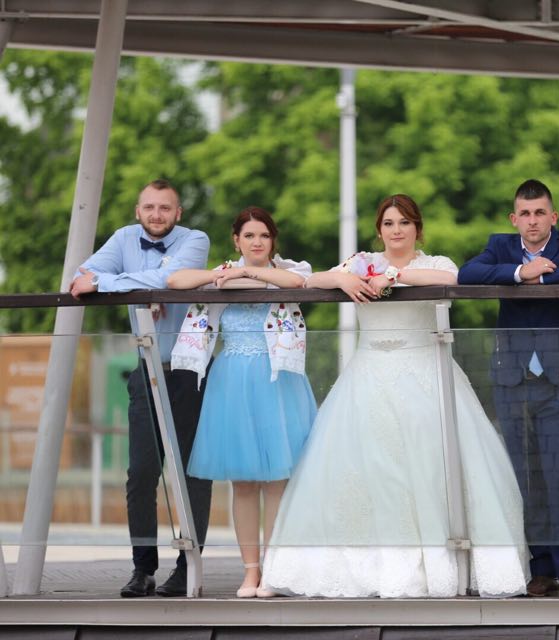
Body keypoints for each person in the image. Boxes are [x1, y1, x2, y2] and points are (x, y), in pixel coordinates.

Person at [261, 194, 528, 598]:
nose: (396, 230)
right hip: (368, 375)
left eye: (404, 222)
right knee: (368, 470)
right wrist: (343, 279)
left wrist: (395, 276)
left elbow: (453, 278)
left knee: (432, 466)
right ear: (379, 230)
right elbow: (310, 281)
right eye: (388, 223)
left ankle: (442, 564)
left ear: (417, 228)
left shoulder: (433, 264)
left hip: (427, 374)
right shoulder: (361, 262)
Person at [457, 179, 559, 599]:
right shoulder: (500, 248)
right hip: (512, 377)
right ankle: (540, 569)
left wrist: (543, 278)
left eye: (540, 212)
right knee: (525, 477)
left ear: (553, 217)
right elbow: (468, 274)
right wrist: (518, 273)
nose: (532, 220)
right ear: (514, 219)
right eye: (524, 214)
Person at [69, 179, 212, 598]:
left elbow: (171, 278)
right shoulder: (123, 238)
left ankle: (188, 568)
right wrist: (147, 286)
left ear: (178, 213)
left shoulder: (196, 240)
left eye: (165, 208)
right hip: (145, 368)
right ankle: (143, 569)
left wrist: (124, 283)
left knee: (192, 474)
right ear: (138, 211)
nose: (156, 214)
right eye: (149, 207)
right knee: (141, 474)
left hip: (189, 372)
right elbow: (81, 277)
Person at [167, 206, 316, 598]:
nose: (257, 242)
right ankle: (251, 571)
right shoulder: (223, 274)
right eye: (249, 235)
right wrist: (223, 274)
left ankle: (275, 570)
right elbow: (176, 279)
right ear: (236, 241)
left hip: (278, 381)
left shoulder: (286, 270)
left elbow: (297, 282)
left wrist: (250, 274)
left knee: (278, 482)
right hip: (232, 382)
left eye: (264, 235)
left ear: (273, 241)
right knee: (244, 484)